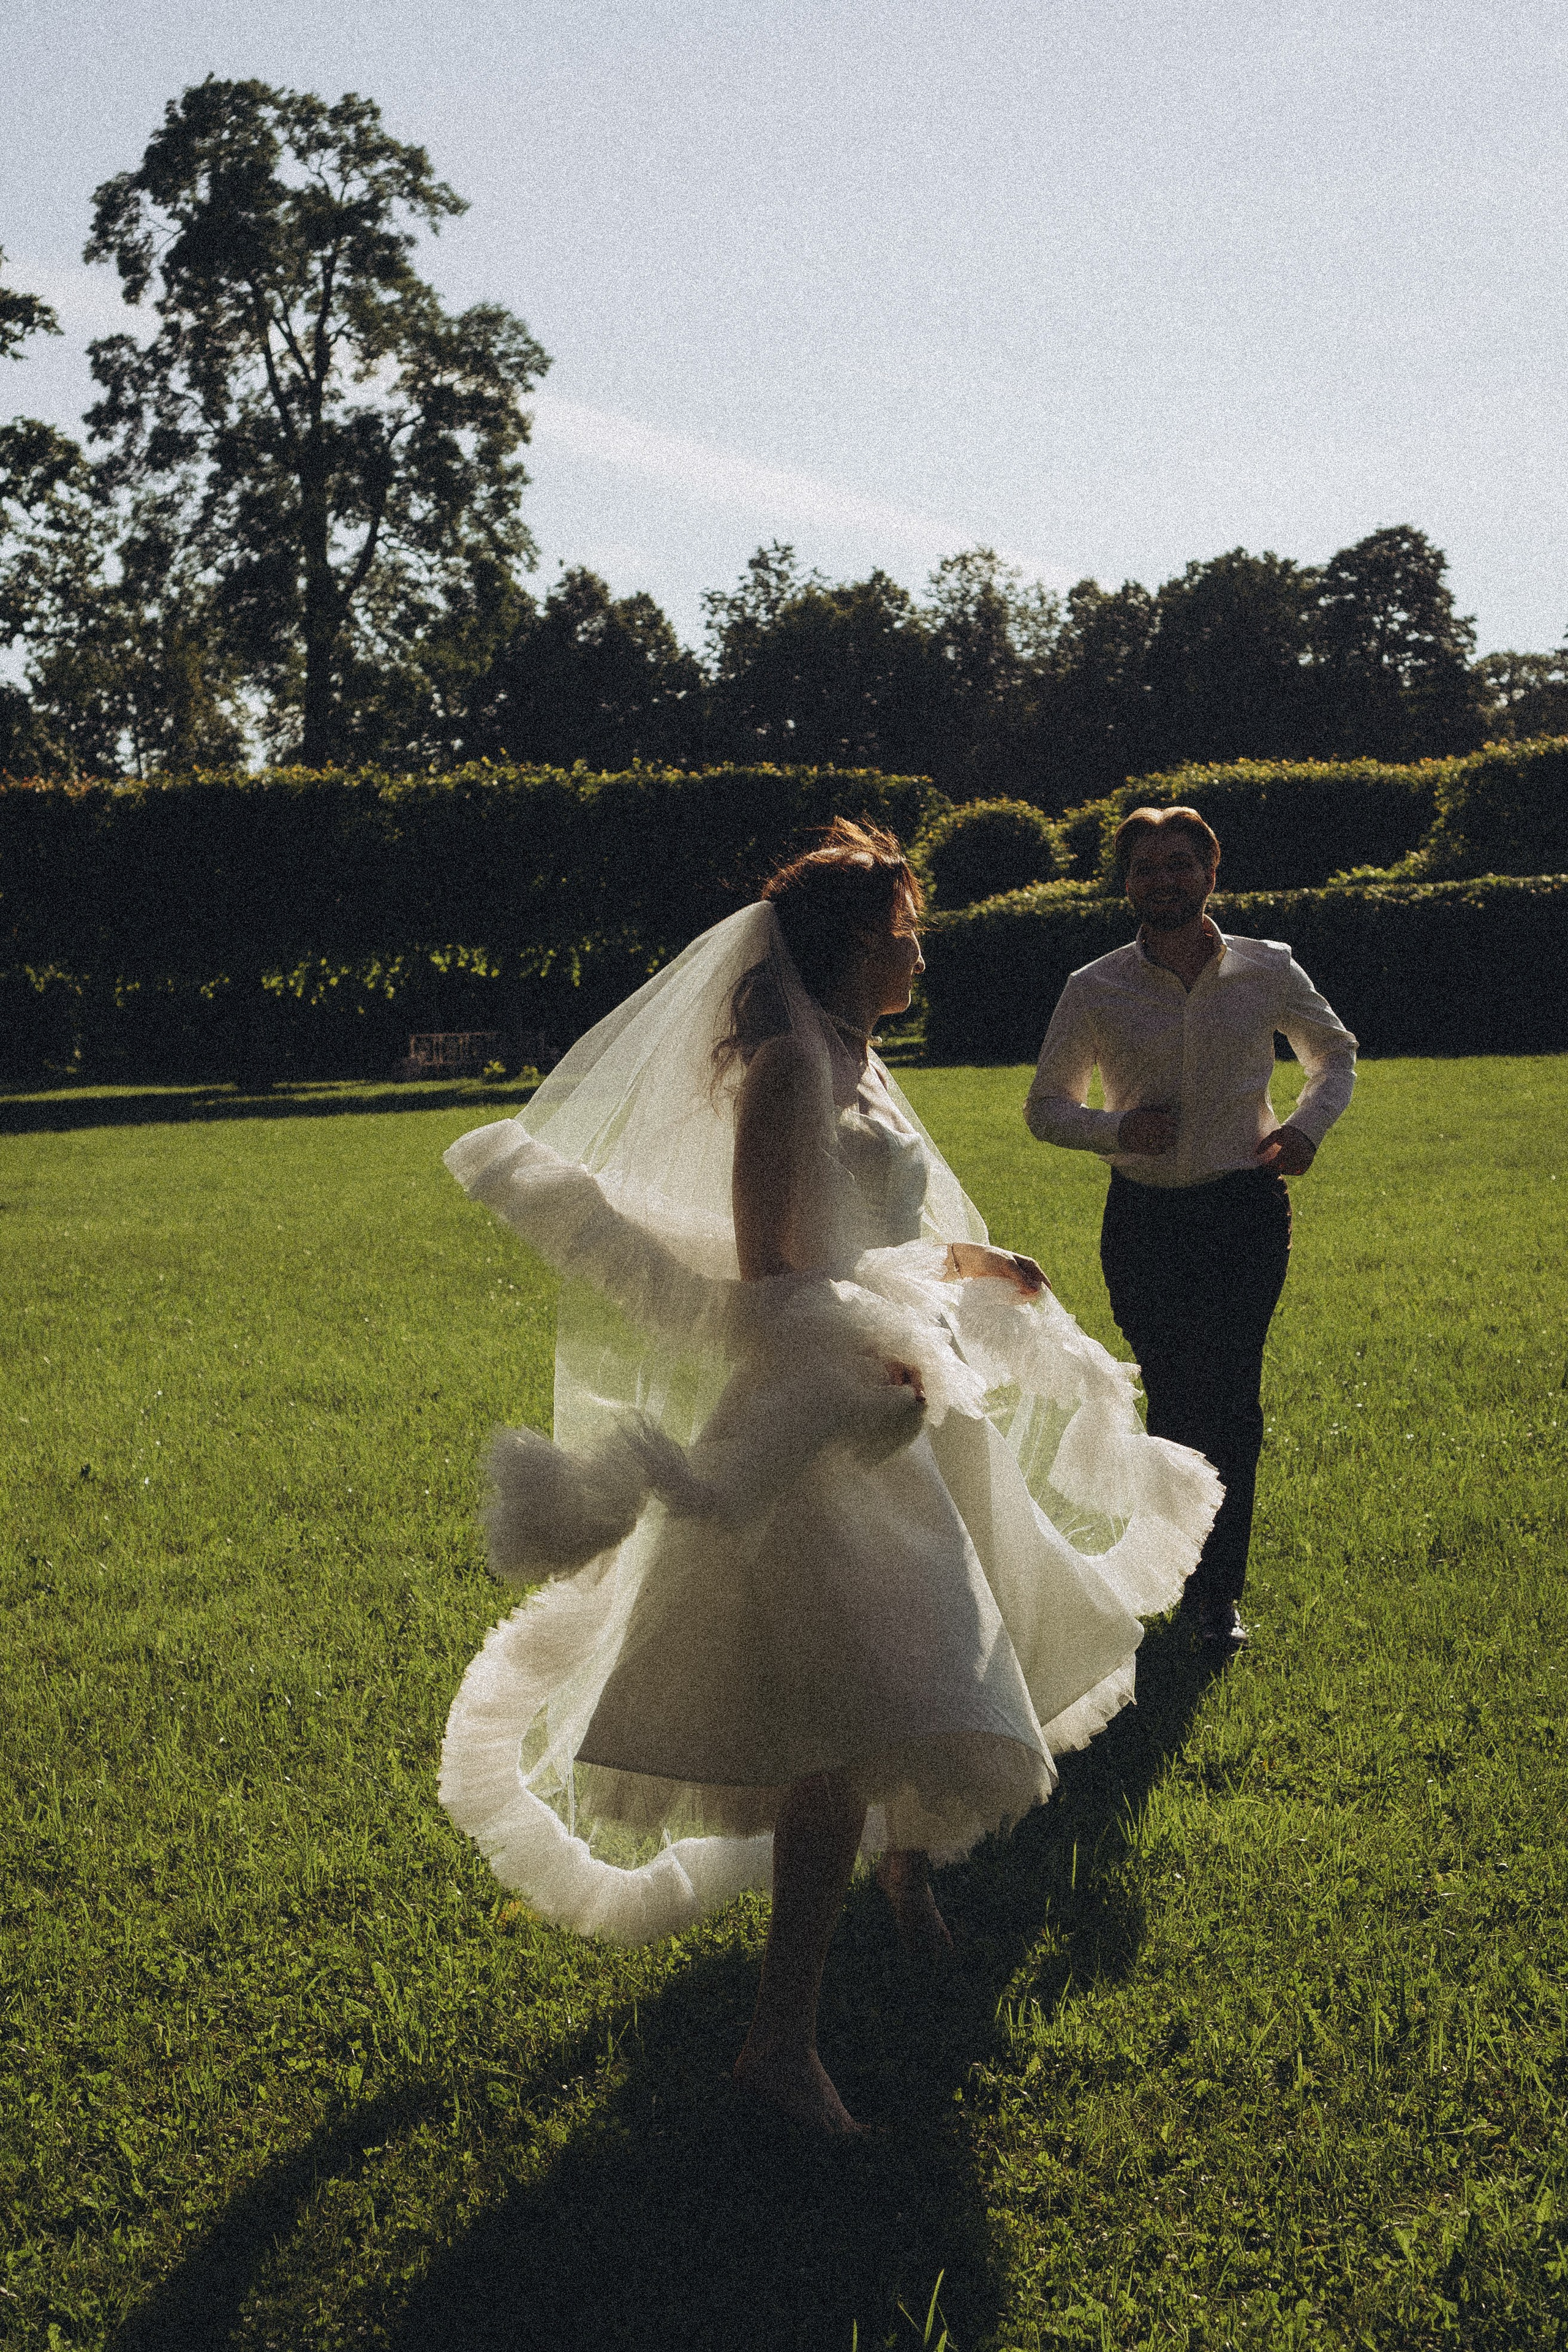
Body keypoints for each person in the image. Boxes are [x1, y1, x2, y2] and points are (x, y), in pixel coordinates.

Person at [439, 819, 1221, 2135]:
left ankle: (905, 1878)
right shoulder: (789, 1071)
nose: (921, 942)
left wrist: (974, 1269)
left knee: (926, 1659)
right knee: (851, 1711)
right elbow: (772, 1271)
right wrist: (876, 1353)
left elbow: (879, 1229)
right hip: (828, 1421)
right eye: (908, 925)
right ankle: (778, 2042)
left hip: (902, 1405)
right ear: (862, 943)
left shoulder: (856, 1057)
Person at [1024, 805, 1357, 1651]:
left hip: (1244, 1212)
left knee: (1234, 1403)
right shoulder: (1092, 986)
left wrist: (1308, 1130)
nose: (1163, 880)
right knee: (1174, 1403)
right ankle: (1169, 1576)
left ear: (1211, 871)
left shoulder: (1267, 969)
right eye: (1146, 867)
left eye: (1180, 864)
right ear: (1125, 881)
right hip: (1144, 1221)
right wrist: (1114, 1130)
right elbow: (1046, 1107)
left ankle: (1217, 1600)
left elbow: (1334, 1054)